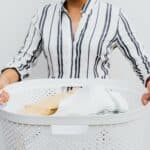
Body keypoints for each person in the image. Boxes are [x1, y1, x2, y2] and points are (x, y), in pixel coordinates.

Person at [0, 0, 150, 105]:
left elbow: (140, 59)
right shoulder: (44, 16)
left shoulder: (113, 16)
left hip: (98, 115)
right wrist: (4, 80)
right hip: (55, 115)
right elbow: (23, 59)